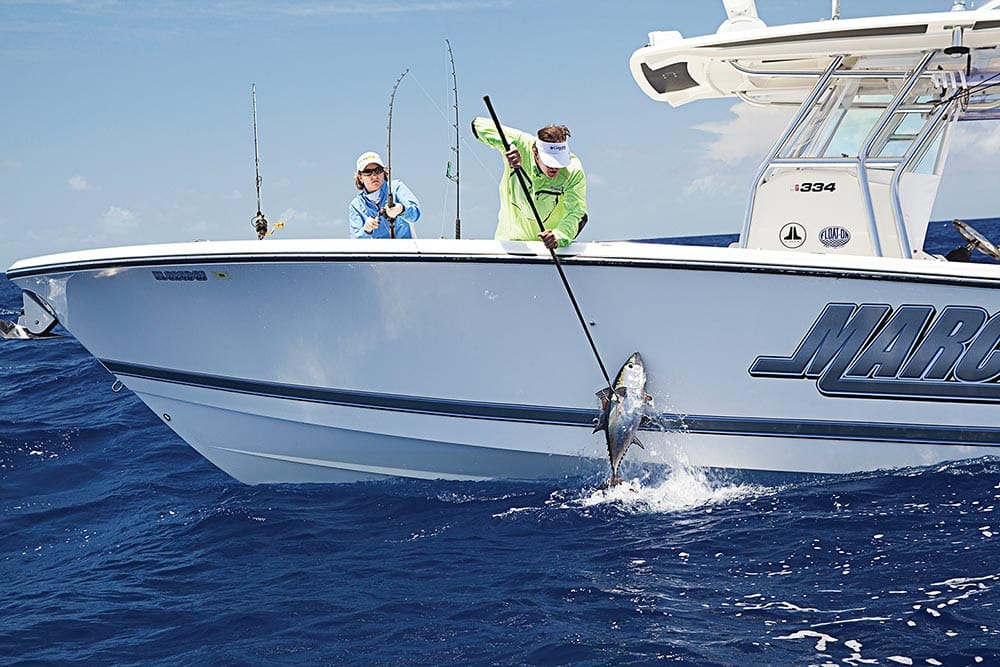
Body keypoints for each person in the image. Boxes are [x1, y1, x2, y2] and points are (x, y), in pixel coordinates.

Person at [472, 117, 588, 250]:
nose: (555, 167)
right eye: (549, 161)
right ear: (535, 153)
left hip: (549, 249)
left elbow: (576, 212)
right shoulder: (521, 143)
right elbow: (478, 125)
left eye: (559, 161)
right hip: (509, 243)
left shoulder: (573, 170)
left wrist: (559, 236)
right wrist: (509, 146)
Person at [348, 151, 421, 239]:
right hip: (378, 252)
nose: (374, 176)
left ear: (384, 172)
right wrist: (366, 230)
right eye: (368, 172)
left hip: (405, 251)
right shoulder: (355, 206)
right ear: (360, 177)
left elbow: (416, 214)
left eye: (378, 171)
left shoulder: (397, 187)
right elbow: (356, 243)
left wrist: (401, 209)